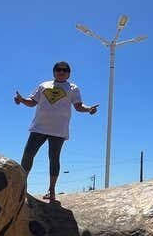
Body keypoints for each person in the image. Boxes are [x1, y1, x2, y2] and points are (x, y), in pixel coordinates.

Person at [14, 61, 98, 202]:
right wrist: (21, 100)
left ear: (69, 73)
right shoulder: (43, 85)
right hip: (39, 127)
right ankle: (20, 187)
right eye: (58, 69)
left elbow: (78, 106)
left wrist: (89, 108)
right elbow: (32, 102)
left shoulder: (73, 88)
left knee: (54, 158)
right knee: (28, 155)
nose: (61, 72)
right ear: (53, 72)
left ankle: (51, 190)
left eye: (65, 70)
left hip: (58, 129)